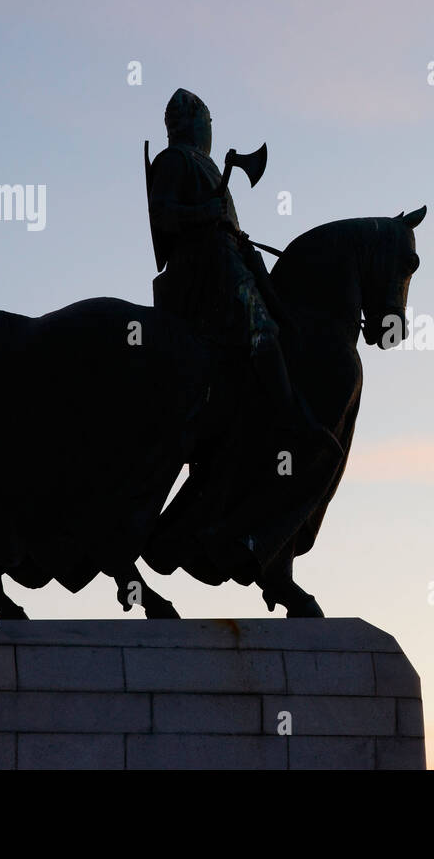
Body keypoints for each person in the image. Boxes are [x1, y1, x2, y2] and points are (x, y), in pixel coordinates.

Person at [147, 88, 340, 583]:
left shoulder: (208, 168)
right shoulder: (174, 161)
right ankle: (288, 413)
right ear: (190, 124)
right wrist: (206, 218)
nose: (209, 130)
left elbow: (223, 224)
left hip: (227, 257)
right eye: (205, 121)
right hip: (200, 272)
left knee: (279, 305)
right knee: (257, 320)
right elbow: (167, 219)